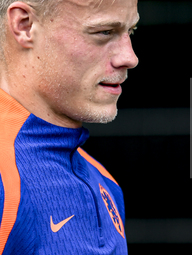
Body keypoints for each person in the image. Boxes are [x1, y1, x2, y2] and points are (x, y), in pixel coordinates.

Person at [0, 0, 139, 254]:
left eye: (131, 32)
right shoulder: (4, 178)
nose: (130, 58)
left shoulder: (104, 181)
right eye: (104, 32)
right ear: (24, 25)